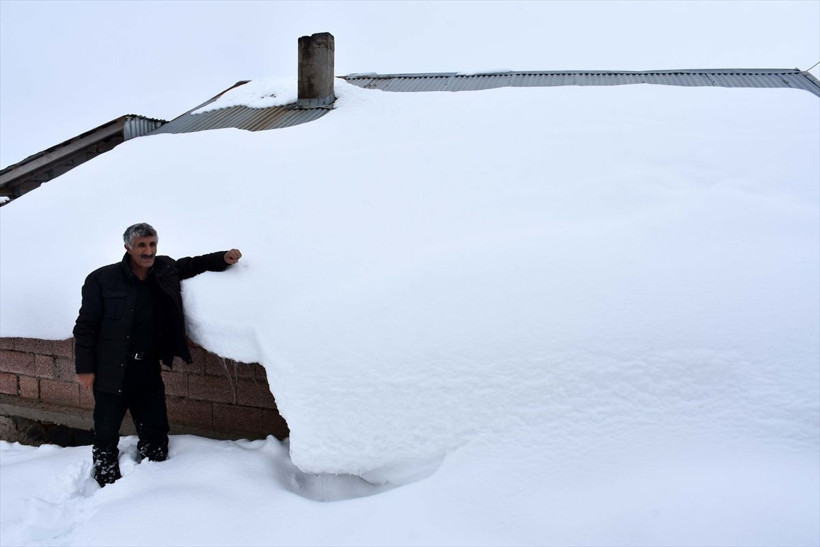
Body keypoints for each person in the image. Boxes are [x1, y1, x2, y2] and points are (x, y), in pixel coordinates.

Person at [73, 222, 242, 487]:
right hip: (110, 369)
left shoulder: (164, 269)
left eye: (152, 244)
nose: (149, 251)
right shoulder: (102, 279)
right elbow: (85, 327)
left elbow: (193, 264)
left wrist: (223, 258)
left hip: (147, 368)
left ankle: (154, 485)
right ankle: (106, 483)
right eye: (142, 245)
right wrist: (85, 368)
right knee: (106, 431)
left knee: (155, 430)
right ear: (128, 248)